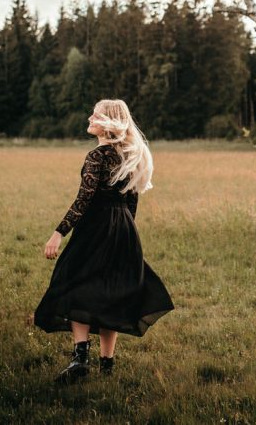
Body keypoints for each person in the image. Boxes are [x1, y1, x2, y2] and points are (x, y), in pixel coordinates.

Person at [33, 99, 174, 384]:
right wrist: (126, 232)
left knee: (74, 282)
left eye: (94, 115)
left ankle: (80, 358)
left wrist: (59, 232)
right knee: (111, 293)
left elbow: (84, 200)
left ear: (108, 122)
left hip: (95, 227)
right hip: (124, 228)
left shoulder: (97, 156)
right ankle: (106, 365)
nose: (89, 118)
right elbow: (132, 201)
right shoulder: (131, 156)